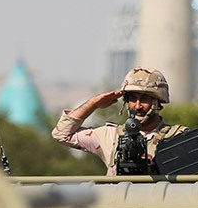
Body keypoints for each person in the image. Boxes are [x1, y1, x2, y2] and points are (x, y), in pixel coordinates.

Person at [51, 68, 188, 174]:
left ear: (158, 101)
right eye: (132, 99)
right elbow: (61, 134)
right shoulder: (110, 136)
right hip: (119, 201)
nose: (137, 106)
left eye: (145, 99)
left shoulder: (178, 137)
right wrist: (93, 104)